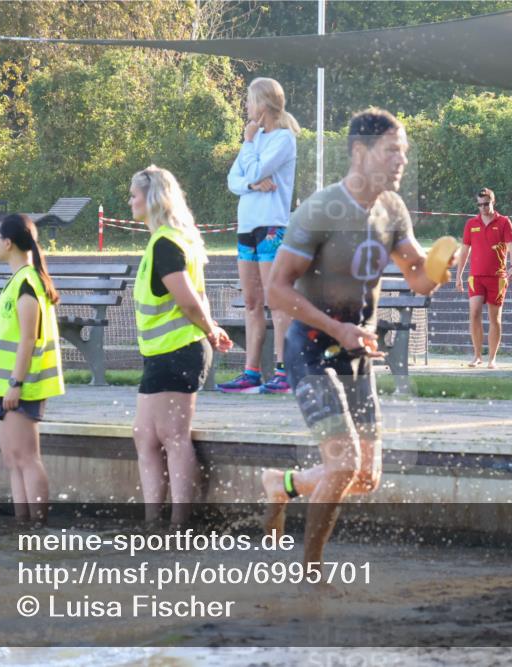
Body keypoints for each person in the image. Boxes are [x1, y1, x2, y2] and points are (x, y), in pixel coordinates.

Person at [262, 108, 454, 579]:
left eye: (403, 153)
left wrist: (440, 269)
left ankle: (281, 484)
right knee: (344, 462)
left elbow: (416, 277)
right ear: (359, 152)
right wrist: (337, 328)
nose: (400, 161)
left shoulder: (392, 210)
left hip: (356, 353)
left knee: (365, 476)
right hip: (309, 350)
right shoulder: (321, 209)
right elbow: (276, 289)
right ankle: (311, 575)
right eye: (392, 151)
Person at [129, 166, 233, 524]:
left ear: (152, 198)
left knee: (173, 436)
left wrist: (209, 329)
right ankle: (153, 520)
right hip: (164, 352)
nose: (130, 201)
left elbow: (188, 300)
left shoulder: (166, 244)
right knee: (145, 436)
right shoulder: (171, 239)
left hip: (178, 350)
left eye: (134, 195)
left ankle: (178, 523)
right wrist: (210, 328)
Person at [219, 77, 300, 394]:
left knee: (275, 299)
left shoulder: (282, 139)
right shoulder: (253, 140)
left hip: (270, 226)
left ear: (263, 105)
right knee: (252, 301)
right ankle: (251, 372)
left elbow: (251, 171)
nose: (246, 107)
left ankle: (283, 371)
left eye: (250, 101)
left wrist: (250, 151)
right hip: (246, 226)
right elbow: (234, 180)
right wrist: (252, 184)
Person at [0, 213, 64, 523]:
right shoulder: (17, 280)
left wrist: (16, 383)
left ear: (7, 242)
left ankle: (39, 527)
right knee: (13, 460)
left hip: (21, 385)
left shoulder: (28, 284)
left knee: (28, 459)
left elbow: (28, 339)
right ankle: (23, 525)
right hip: (4, 386)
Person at [454, 188, 512, 369]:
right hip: (476, 276)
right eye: (480, 204)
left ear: (493, 202)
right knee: (474, 313)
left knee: (494, 318)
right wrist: (458, 275)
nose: (483, 208)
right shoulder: (471, 224)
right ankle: (477, 356)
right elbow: (465, 251)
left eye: (486, 204)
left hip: (497, 277)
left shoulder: (504, 222)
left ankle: (492, 358)